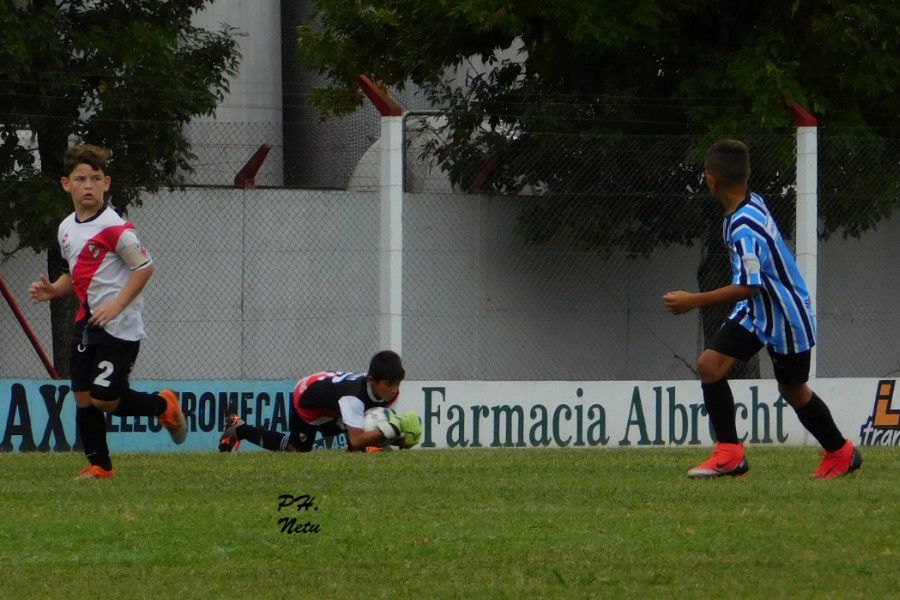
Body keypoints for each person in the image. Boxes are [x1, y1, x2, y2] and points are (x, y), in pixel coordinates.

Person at [663, 139, 862, 479]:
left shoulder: (743, 226)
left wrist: (692, 300)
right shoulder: (750, 204)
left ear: (711, 182)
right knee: (710, 366)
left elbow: (748, 285)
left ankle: (841, 453)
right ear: (747, 175)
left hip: (785, 317)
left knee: (792, 389)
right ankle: (729, 455)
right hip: (757, 311)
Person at [29, 144, 186, 480]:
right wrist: (55, 289)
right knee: (83, 396)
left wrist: (117, 305)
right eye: (81, 178)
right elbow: (77, 271)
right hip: (87, 323)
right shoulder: (66, 228)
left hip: (120, 328)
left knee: (105, 400)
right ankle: (100, 466)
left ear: (107, 183)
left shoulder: (116, 228)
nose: (88, 185)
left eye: (95, 178)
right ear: (65, 184)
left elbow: (144, 267)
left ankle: (164, 405)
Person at [218, 350, 422, 452]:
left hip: (332, 403)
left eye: (398, 383)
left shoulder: (389, 392)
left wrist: (402, 439)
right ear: (372, 380)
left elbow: (375, 426)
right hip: (308, 399)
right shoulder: (354, 398)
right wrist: (389, 431)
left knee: (366, 432)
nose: (396, 390)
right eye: (391, 384)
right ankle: (238, 428)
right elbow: (356, 440)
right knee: (296, 449)